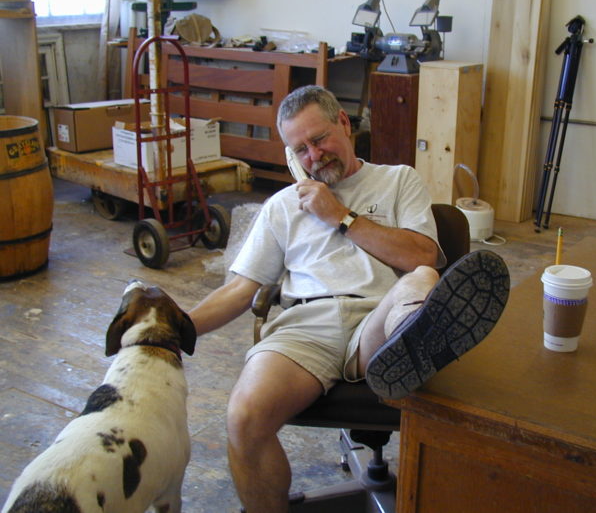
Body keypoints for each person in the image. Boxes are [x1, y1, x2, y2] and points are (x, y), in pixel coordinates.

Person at [188, 85, 509, 513]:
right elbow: (241, 289)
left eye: (318, 139)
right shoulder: (283, 205)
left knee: (424, 277)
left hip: (378, 321)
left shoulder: (398, 180)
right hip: (305, 329)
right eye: (299, 149)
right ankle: (416, 354)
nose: (313, 157)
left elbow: (421, 254)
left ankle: (413, 346)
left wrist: (340, 215)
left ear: (344, 121)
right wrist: (174, 329)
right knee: (243, 419)